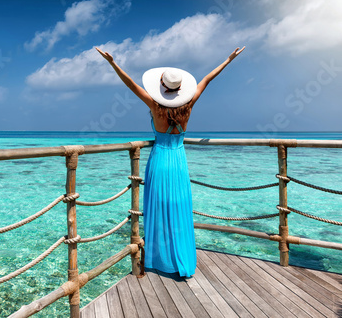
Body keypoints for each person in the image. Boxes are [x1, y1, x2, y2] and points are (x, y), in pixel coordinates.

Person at [96, 46, 245, 277]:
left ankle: (159, 258)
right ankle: (180, 259)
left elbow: (131, 85)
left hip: (159, 160)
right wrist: (228, 59)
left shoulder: (155, 107)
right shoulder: (189, 105)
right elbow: (207, 78)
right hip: (178, 160)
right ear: (181, 89)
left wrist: (112, 63)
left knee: (158, 207)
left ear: (162, 87)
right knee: (178, 208)